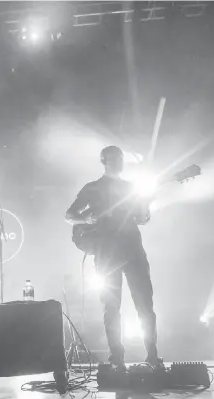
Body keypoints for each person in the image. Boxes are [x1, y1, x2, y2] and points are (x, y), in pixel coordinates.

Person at [65, 146, 161, 371]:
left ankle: (153, 355)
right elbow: (69, 215)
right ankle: (116, 357)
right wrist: (86, 220)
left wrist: (146, 203)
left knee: (145, 304)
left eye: (121, 158)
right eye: (115, 158)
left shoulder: (131, 188)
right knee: (111, 305)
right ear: (104, 160)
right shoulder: (92, 188)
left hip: (133, 249)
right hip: (106, 253)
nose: (120, 162)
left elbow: (142, 218)